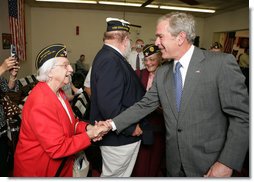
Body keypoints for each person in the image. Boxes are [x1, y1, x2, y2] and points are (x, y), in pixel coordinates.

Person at [102, 12, 249, 177]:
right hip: (174, 164)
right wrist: (111, 125)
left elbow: (242, 117)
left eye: (160, 37)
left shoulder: (220, 64)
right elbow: (144, 105)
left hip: (210, 164)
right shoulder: (163, 72)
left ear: (180, 38)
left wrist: (227, 162)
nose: (156, 42)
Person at [13, 44, 109, 177]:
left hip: (59, 167)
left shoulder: (58, 92)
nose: (71, 69)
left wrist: (89, 128)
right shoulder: (40, 103)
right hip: (39, 171)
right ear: (50, 71)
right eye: (65, 65)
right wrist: (91, 135)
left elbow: (73, 123)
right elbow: (57, 148)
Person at [90, 17, 151, 177]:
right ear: (124, 39)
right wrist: (131, 128)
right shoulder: (110, 60)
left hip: (119, 138)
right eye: (129, 39)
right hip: (119, 139)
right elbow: (109, 105)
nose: (130, 43)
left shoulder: (110, 56)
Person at [131, 44, 166, 177]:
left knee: (155, 161)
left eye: (152, 59)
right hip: (142, 125)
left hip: (159, 126)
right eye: (146, 60)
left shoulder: (167, 75)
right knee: (141, 162)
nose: (148, 63)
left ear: (160, 58)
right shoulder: (138, 74)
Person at [0, 57, 20, 176]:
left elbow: (7, 88)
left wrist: (12, 76)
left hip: (1, 129)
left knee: (3, 168)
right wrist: (2, 68)